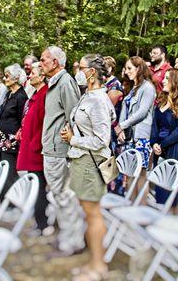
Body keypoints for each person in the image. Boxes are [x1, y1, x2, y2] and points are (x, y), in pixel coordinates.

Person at [61, 54, 115, 281]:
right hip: (80, 161)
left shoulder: (99, 101)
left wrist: (74, 139)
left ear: (92, 72)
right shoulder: (87, 96)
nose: (77, 71)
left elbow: (102, 140)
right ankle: (92, 261)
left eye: (80, 67)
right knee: (88, 213)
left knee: (94, 214)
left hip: (91, 164)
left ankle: (98, 266)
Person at [40, 46, 85, 257]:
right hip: (51, 148)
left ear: (55, 62)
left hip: (59, 149)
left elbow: (74, 117)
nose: (40, 64)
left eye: (43, 60)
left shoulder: (66, 83)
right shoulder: (54, 83)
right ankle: (65, 237)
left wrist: (69, 145)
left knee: (65, 196)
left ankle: (73, 242)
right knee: (58, 196)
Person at [16, 62, 53, 237]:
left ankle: (43, 223)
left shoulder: (46, 95)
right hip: (30, 145)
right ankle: (39, 221)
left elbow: (45, 124)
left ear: (42, 76)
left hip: (37, 149)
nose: (29, 76)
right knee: (35, 186)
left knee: (39, 187)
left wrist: (34, 145)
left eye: (32, 74)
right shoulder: (35, 94)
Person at [115, 56, 156, 202]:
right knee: (130, 173)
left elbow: (142, 112)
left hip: (142, 137)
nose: (126, 72)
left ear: (139, 68)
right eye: (126, 69)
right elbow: (124, 112)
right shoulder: (133, 88)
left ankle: (142, 209)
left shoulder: (148, 87)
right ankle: (130, 207)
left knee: (141, 174)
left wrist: (122, 126)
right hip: (130, 136)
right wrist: (121, 130)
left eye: (130, 68)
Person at [151, 69, 178, 210]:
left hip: (177, 152)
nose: (163, 80)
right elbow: (154, 125)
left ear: (175, 82)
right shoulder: (161, 102)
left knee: (175, 194)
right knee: (161, 190)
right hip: (159, 151)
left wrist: (162, 144)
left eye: (167, 78)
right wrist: (154, 143)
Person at [0, 64, 28, 192]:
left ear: (16, 78)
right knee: (0, 169)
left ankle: (12, 200)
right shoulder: (8, 94)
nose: (4, 79)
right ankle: (2, 199)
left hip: (10, 141)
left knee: (9, 170)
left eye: (7, 76)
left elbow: (22, 120)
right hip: (0, 137)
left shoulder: (21, 96)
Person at [103, 56, 125, 195]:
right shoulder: (104, 84)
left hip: (113, 128)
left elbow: (107, 108)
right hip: (105, 128)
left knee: (111, 162)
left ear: (110, 68)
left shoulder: (115, 85)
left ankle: (114, 193)